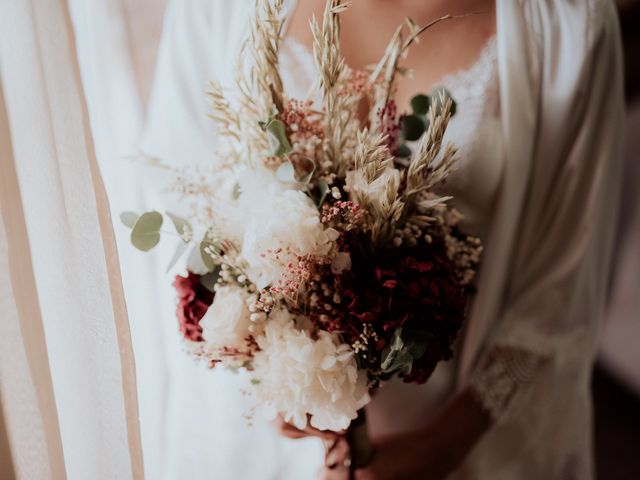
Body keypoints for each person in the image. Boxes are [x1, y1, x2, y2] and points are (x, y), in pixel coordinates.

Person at [141, 1, 624, 478]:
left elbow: (565, 275)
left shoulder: (570, 23)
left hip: (447, 436)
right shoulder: (213, 9)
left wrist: (440, 447)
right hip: (248, 433)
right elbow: (181, 206)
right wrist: (269, 370)